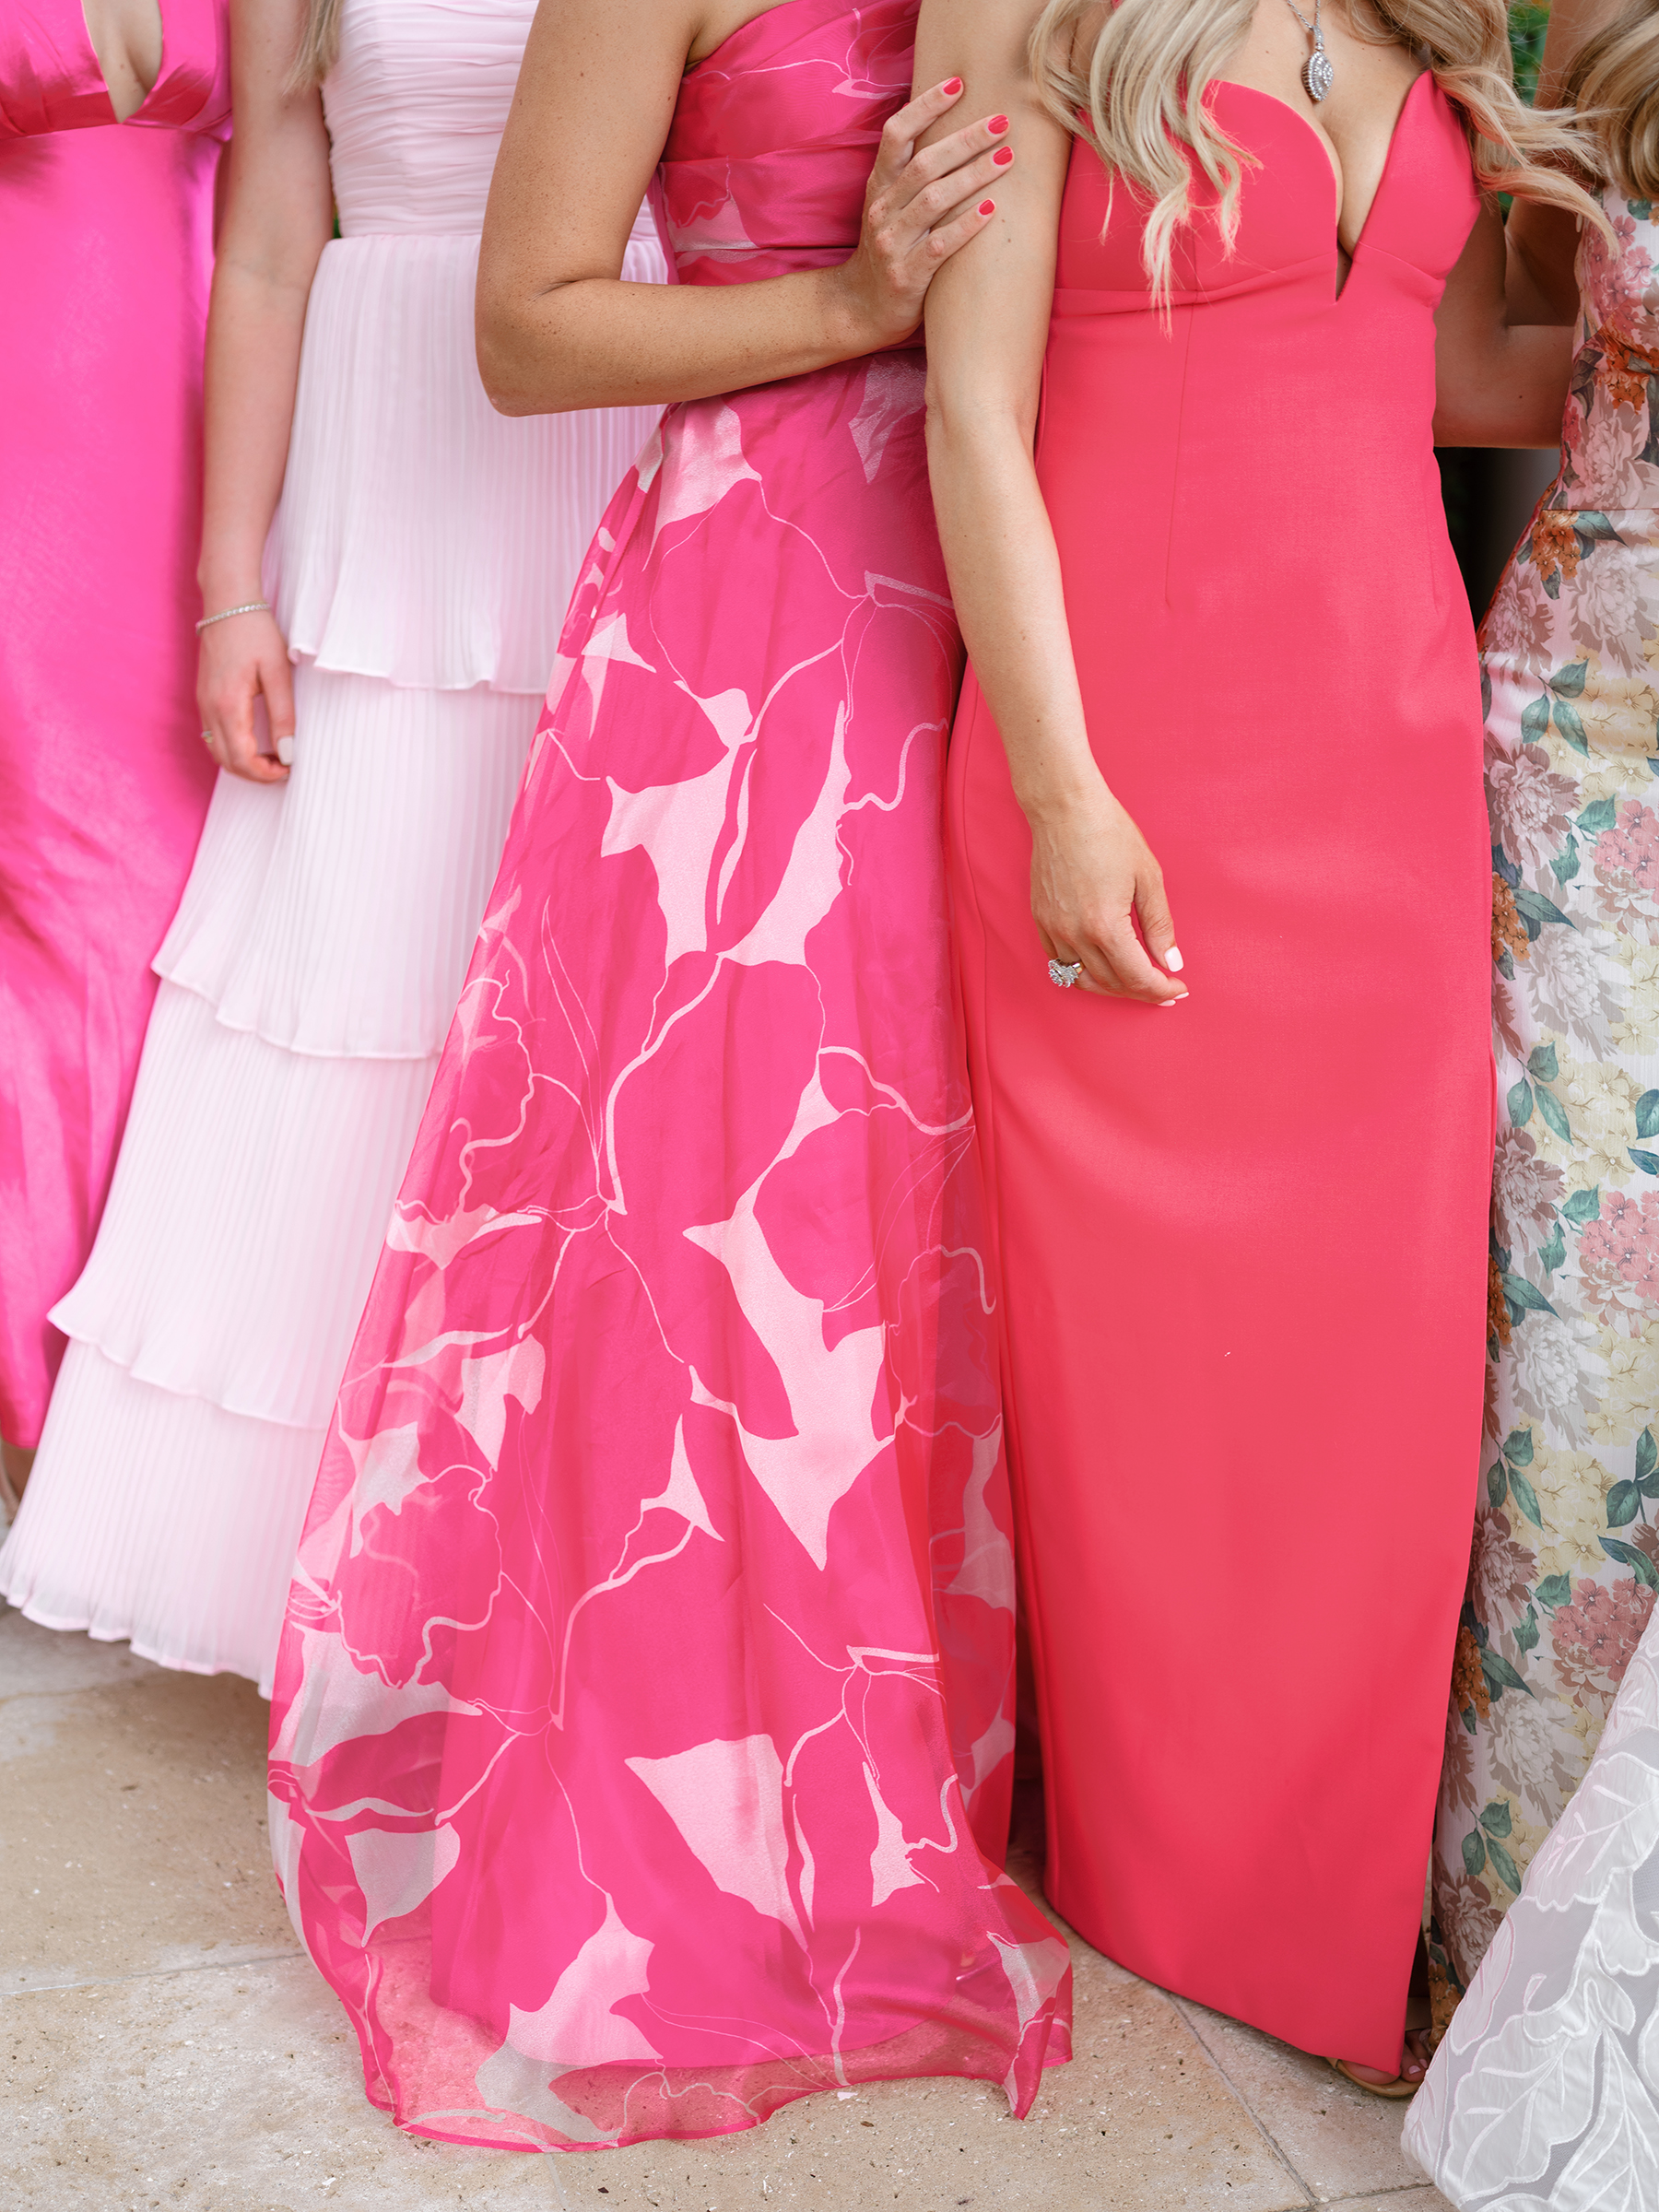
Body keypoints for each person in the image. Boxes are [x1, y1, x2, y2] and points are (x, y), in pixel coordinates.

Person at [267, 0, 1071, 2152]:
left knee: (946, 1200)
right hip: (773, 609)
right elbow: (523, 331)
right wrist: (853, 296)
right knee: (744, 1211)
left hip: (1039, 604)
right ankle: (687, 1841)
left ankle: (931, 1751)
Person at [917, 0, 1603, 2096]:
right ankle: (1179, 1895)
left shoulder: (1451, 28)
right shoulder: (1025, 8)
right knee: (1142, 1371)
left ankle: (1336, 1916)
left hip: (1389, 769)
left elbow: (1474, 382)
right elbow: (973, 406)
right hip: (1132, 749)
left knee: (1373, 1367)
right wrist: (1056, 789)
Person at [0, 0, 666, 1690]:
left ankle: (580, 1560)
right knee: (356, 989)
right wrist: (234, 585)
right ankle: (340, 1577)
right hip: (387, 482)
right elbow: (272, 252)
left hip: (631, 426)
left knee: (605, 1027)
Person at [1404, 6, 1659, 2196]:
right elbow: (1488, 374)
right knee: (1573, 1364)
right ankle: (1507, 1947)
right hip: (1592, 751)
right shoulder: (1590, 34)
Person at [0, 0, 226, 1514]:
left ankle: (98, 1401)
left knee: (158, 908)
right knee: (48, 896)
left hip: (189, 433)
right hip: (22, 428)